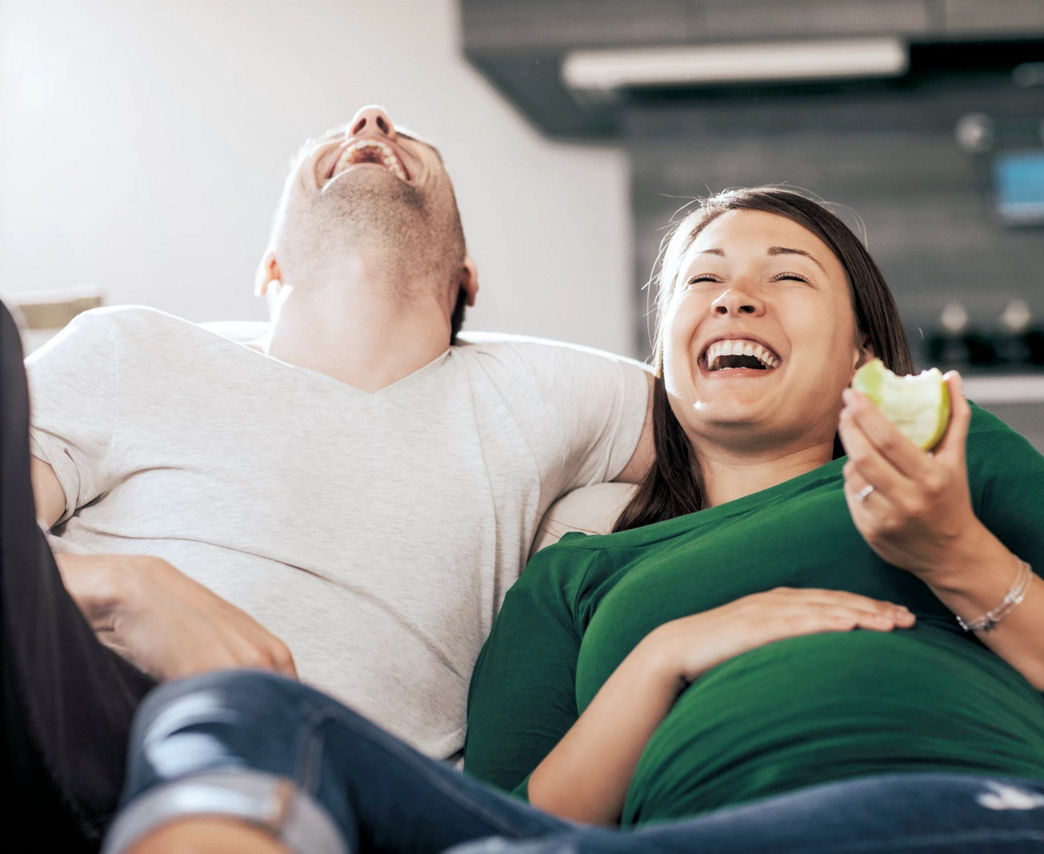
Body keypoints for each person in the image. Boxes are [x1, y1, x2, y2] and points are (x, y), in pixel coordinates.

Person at [101, 188, 1044, 854]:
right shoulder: (575, 576)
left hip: (965, 815)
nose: (734, 297)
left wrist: (959, 559)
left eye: (787, 278)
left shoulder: (958, 464)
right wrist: (667, 654)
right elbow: (505, 817)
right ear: (661, 361)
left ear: (862, 361)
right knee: (247, 710)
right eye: (702, 281)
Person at [2, 105, 653, 850]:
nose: (370, 117)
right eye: (336, 137)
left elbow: (752, 408)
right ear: (270, 265)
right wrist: (121, 584)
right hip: (92, 736)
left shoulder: (546, 390)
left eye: (414, 139)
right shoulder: (134, 349)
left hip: (361, 794)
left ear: (464, 277)